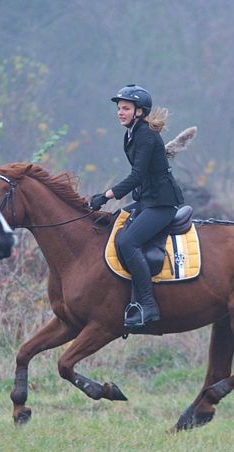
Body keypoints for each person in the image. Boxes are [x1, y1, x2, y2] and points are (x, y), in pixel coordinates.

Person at [89, 84, 184, 328]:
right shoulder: (131, 133)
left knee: (127, 241)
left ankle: (148, 304)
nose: (120, 112)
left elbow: (137, 175)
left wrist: (106, 195)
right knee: (112, 223)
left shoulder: (144, 135)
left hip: (162, 204)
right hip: (146, 201)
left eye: (126, 108)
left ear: (139, 112)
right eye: (119, 108)